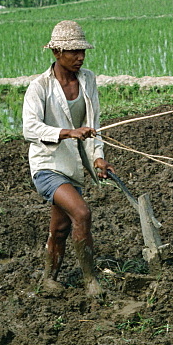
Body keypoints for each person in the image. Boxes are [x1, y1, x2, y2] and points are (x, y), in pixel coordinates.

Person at [22, 20, 113, 297]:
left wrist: (98, 158)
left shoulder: (88, 79)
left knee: (60, 227)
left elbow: (93, 124)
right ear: (57, 53)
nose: (80, 57)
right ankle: (90, 280)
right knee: (82, 213)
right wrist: (68, 132)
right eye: (73, 52)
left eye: (82, 51)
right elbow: (30, 128)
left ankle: (48, 279)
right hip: (47, 165)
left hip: (73, 166)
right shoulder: (39, 87)